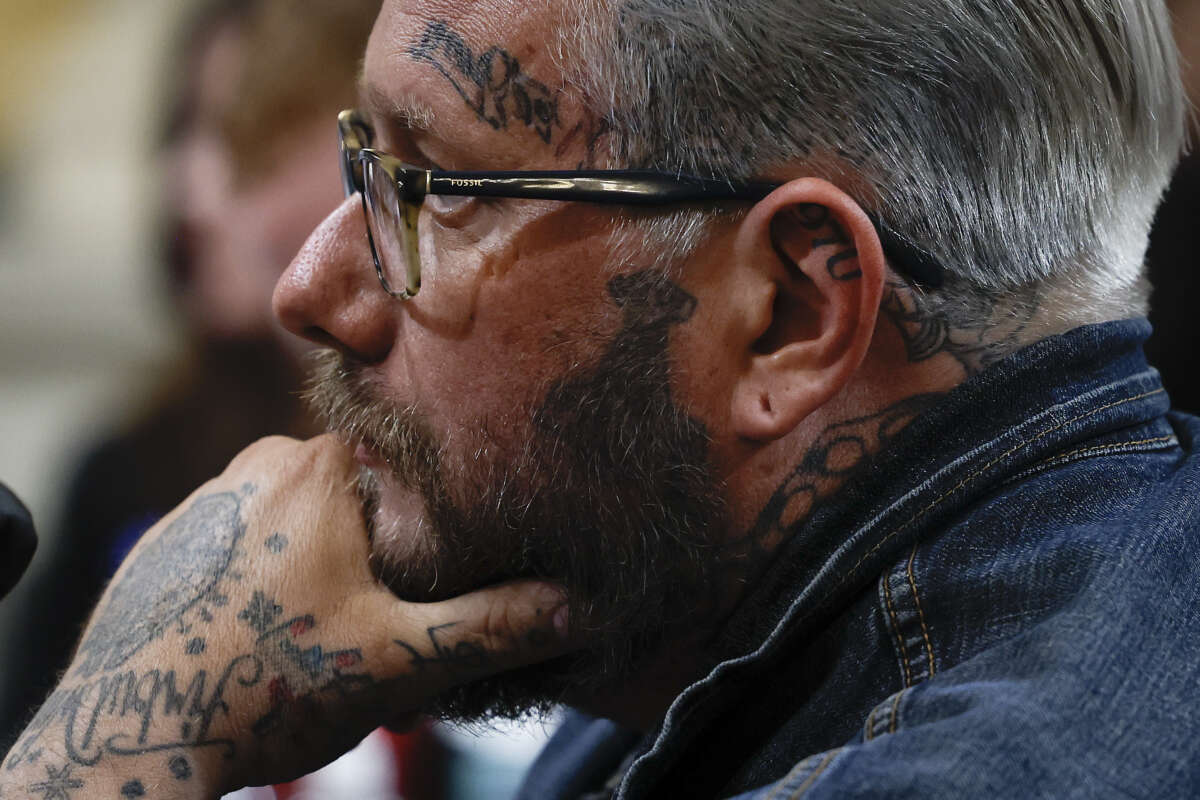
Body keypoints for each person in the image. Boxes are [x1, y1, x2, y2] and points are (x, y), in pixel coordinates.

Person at [4, 0, 1199, 797]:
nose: (314, 290)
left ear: (790, 311)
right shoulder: (675, 616)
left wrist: (123, 743)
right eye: (362, 159)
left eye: (433, 187)